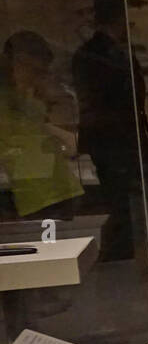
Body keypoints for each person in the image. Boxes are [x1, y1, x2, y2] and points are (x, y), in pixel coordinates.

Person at [71, 0, 148, 260]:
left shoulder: (103, 52)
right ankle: (118, 255)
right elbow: (102, 102)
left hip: (118, 139)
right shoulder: (97, 54)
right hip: (114, 140)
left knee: (125, 201)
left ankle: (124, 254)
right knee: (121, 202)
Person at [0, 31, 84, 220]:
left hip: (53, 190)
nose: (37, 77)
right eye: (35, 71)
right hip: (39, 194)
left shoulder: (25, 98)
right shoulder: (10, 99)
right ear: (19, 61)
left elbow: (39, 130)